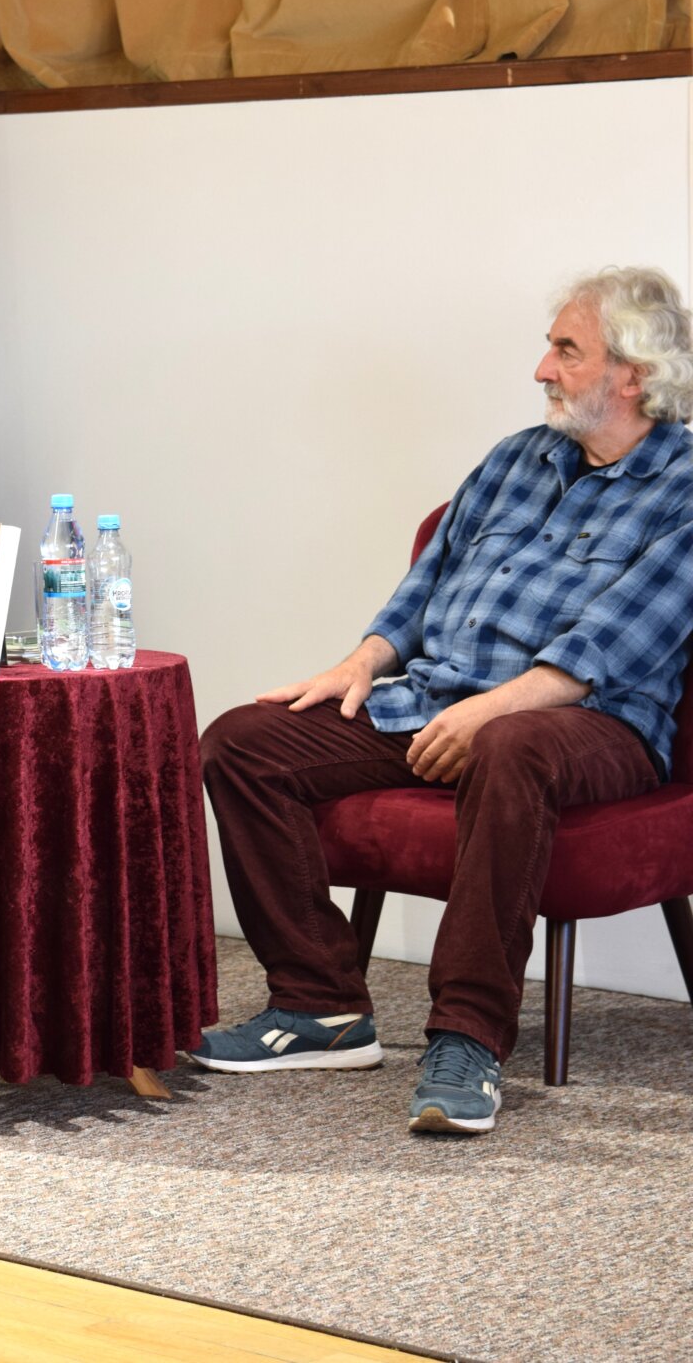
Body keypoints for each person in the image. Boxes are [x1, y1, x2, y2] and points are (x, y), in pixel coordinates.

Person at [194, 266, 693, 1134]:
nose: (542, 369)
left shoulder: (685, 487)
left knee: (512, 744)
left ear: (634, 374)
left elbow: (609, 647)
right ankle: (320, 1004)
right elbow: (424, 587)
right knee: (243, 740)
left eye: (566, 351)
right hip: (438, 699)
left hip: (592, 724)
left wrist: (493, 711)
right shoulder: (514, 459)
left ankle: (468, 1039)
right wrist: (361, 662)